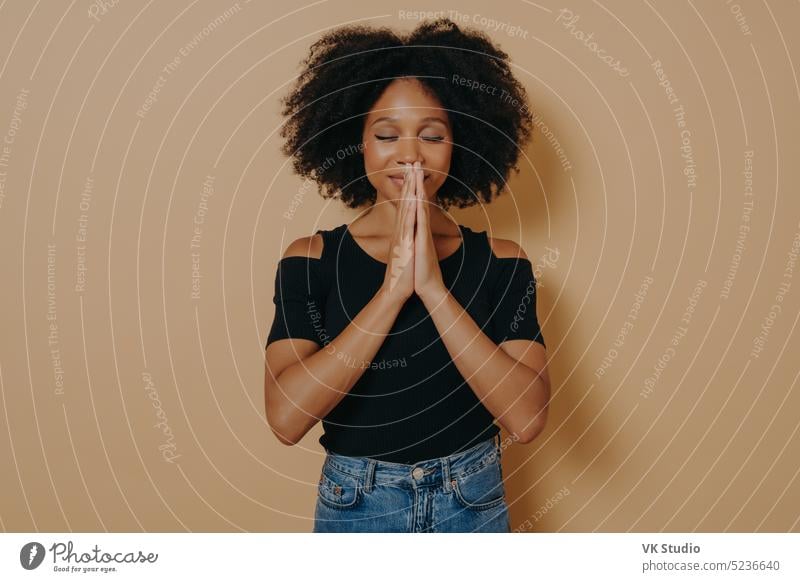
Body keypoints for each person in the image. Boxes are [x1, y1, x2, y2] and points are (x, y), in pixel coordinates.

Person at [264, 18, 550, 533]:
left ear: (460, 143)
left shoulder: (504, 262)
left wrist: (434, 290)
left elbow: (527, 420)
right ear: (358, 143)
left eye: (433, 135)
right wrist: (392, 291)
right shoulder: (309, 260)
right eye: (387, 134)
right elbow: (286, 420)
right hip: (356, 505)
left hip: (473, 503)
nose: (411, 153)